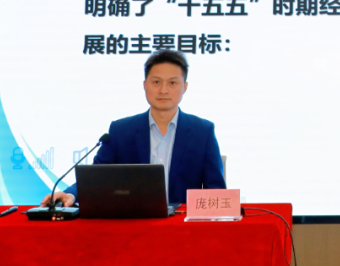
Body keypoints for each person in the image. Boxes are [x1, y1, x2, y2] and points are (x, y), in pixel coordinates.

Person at [41, 49, 225, 207]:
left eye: (172, 83)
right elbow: (96, 178)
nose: (163, 90)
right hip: (131, 225)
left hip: (182, 228)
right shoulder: (121, 131)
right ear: (145, 85)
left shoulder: (203, 132)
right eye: (156, 82)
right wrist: (70, 194)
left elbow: (216, 192)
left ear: (185, 87)